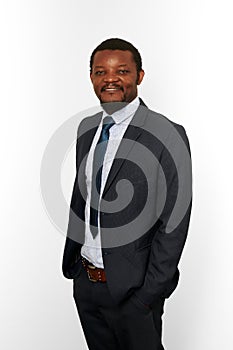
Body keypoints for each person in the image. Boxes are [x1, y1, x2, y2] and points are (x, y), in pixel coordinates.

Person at [62, 38, 192, 350]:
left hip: (134, 292)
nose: (110, 79)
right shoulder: (87, 129)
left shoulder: (167, 132)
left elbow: (175, 218)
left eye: (122, 71)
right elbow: (85, 199)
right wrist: (79, 276)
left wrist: (149, 294)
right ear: (91, 76)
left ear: (140, 76)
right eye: (100, 71)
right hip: (87, 285)